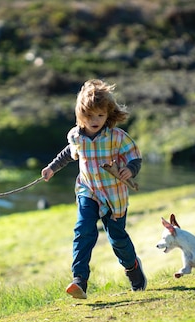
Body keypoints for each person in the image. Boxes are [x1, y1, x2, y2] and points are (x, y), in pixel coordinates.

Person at [41, 79, 146, 299]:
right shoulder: (77, 136)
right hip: (88, 191)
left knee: (117, 239)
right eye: (89, 116)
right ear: (81, 116)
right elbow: (68, 154)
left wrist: (130, 169)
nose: (95, 120)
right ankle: (79, 280)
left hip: (114, 196)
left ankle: (133, 269)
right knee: (83, 231)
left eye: (100, 115)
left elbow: (134, 156)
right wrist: (52, 168)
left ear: (108, 113)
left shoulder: (116, 137)